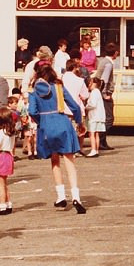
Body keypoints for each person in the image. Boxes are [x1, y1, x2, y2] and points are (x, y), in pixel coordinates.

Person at [27, 65, 86, 213]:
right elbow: (75, 106)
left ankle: (60, 197)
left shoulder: (34, 92)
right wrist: (79, 122)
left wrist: (42, 122)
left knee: (54, 160)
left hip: (46, 126)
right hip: (62, 123)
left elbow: (32, 111)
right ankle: (76, 197)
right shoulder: (58, 88)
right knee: (69, 161)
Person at [0, 104, 18, 213]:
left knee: (0, 183)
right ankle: (8, 203)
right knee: (5, 182)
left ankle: (2, 204)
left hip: (0, 157)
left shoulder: (1, 133)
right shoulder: (11, 132)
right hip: (8, 156)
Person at [84, 79, 106, 157]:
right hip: (99, 116)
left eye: (91, 82)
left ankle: (93, 150)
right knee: (97, 134)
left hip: (94, 116)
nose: (89, 84)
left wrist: (86, 107)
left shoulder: (94, 92)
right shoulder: (98, 92)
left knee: (91, 133)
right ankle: (96, 150)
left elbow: (92, 104)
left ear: (94, 83)